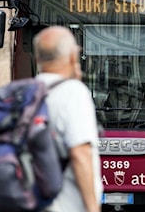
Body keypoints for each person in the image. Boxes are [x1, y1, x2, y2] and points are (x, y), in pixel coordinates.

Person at [33, 26, 103, 212]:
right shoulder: (73, 92)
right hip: (64, 207)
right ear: (73, 57)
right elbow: (80, 154)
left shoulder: (27, 91)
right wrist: (93, 210)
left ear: (37, 59)